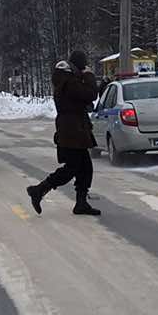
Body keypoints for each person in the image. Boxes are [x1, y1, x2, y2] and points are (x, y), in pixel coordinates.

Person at [26, 49, 102, 216]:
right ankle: (39, 190)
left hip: (74, 129)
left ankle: (81, 203)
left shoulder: (66, 80)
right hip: (72, 131)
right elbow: (90, 94)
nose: (84, 68)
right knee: (72, 168)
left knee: (85, 168)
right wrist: (89, 76)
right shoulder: (68, 82)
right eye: (83, 65)